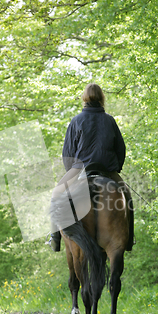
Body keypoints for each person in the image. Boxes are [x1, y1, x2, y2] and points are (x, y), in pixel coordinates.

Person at [48, 83, 134, 252]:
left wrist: (71, 172)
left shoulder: (76, 121)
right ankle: (129, 238)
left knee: (56, 193)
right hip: (107, 170)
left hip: (80, 170)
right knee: (127, 197)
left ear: (84, 98)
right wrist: (116, 168)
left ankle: (55, 238)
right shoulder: (109, 120)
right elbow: (120, 149)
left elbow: (68, 153)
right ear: (102, 98)